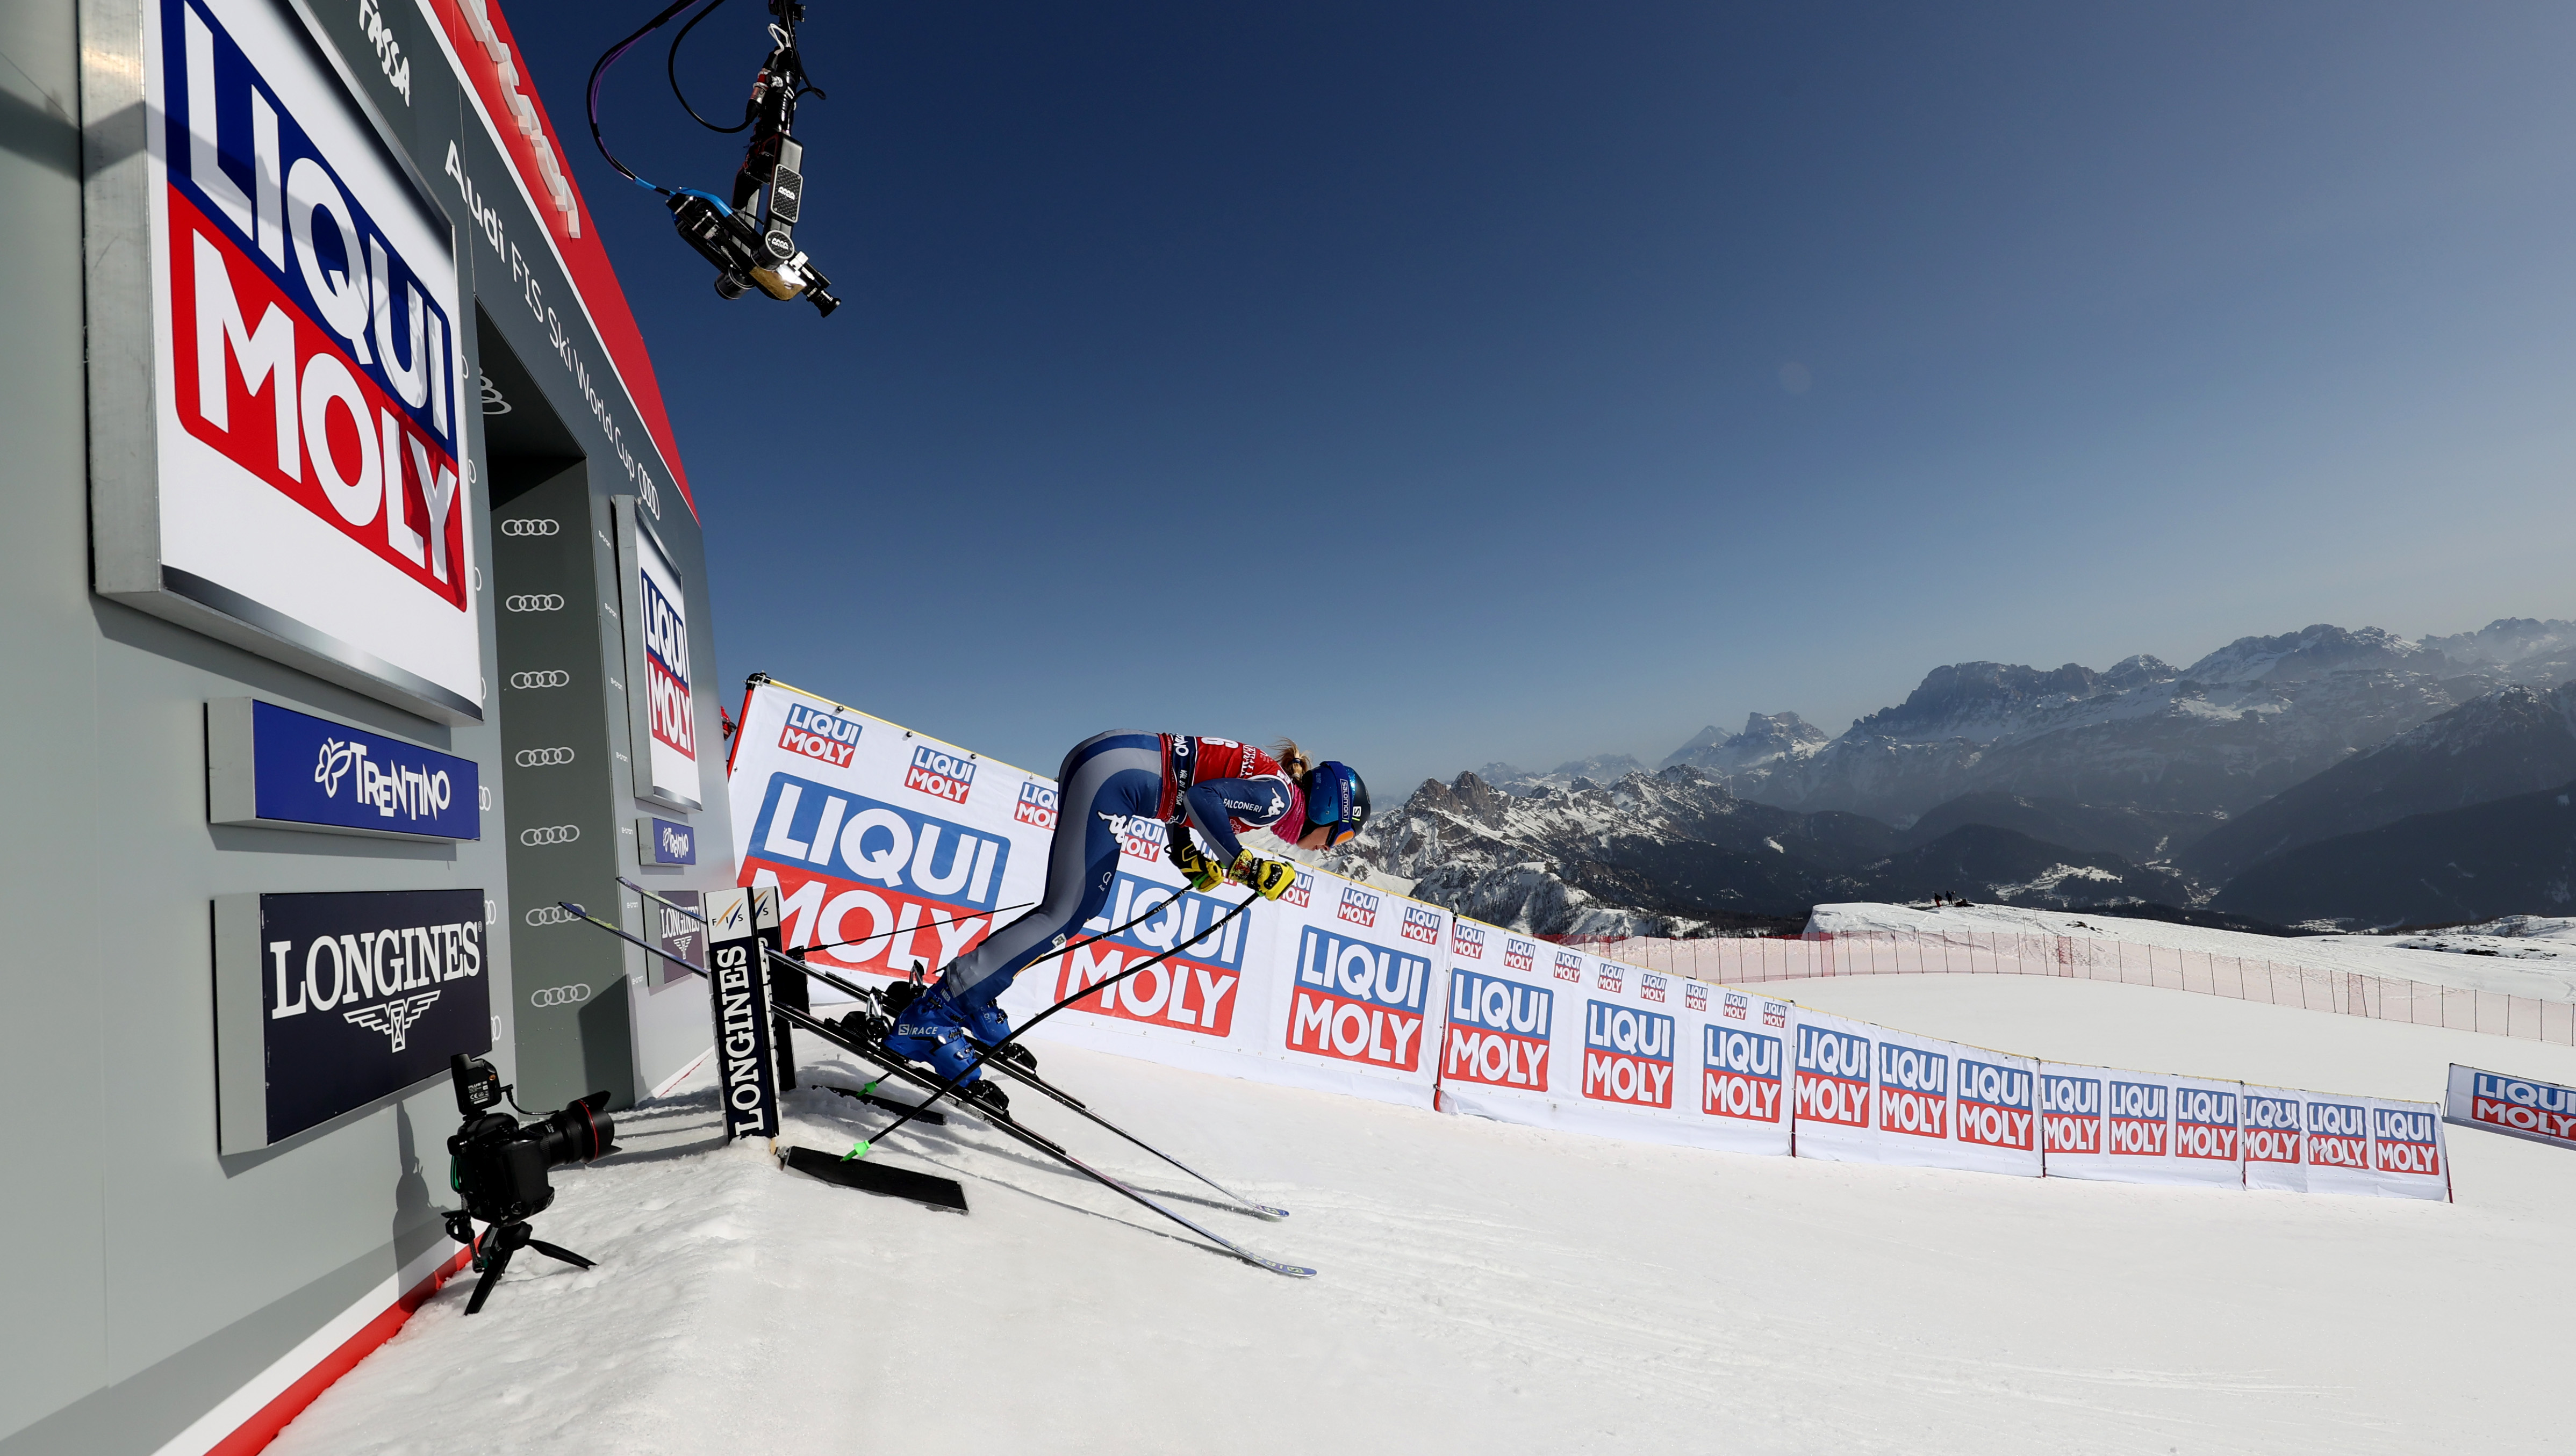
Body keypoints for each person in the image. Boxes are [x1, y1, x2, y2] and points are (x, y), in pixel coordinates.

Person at [880, 732, 1369, 1092]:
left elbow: (1191, 789)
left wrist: (1185, 851)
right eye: (1343, 834)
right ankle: (935, 1013)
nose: (1332, 847)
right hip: (1111, 777)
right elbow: (1202, 797)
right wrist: (1241, 865)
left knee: (1080, 907)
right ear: (1328, 809)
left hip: (1110, 767)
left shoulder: (1276, 790)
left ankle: (970, 997)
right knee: (1066, 910)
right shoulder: (1279, 800)